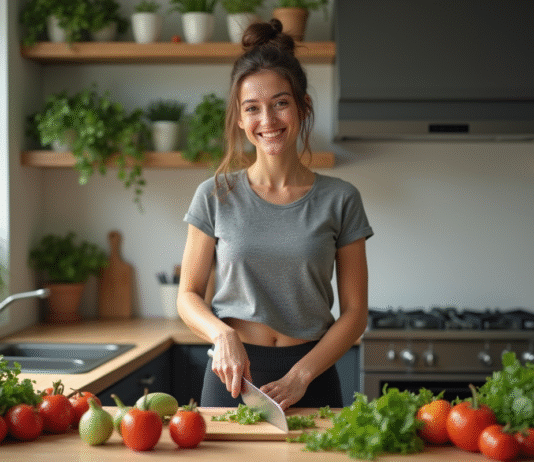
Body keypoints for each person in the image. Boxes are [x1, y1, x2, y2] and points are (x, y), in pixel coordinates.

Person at [177, 19, 373, 411]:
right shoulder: (214, 195)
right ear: (239, 118)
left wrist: (301, 375)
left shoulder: (341, 199)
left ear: (302, 107)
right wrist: (221, 336)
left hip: (311, 376)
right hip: (232, 377)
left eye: (280, 103)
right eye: (252, 108)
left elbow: (354, 312)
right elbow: (187, 295)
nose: (267, 121)